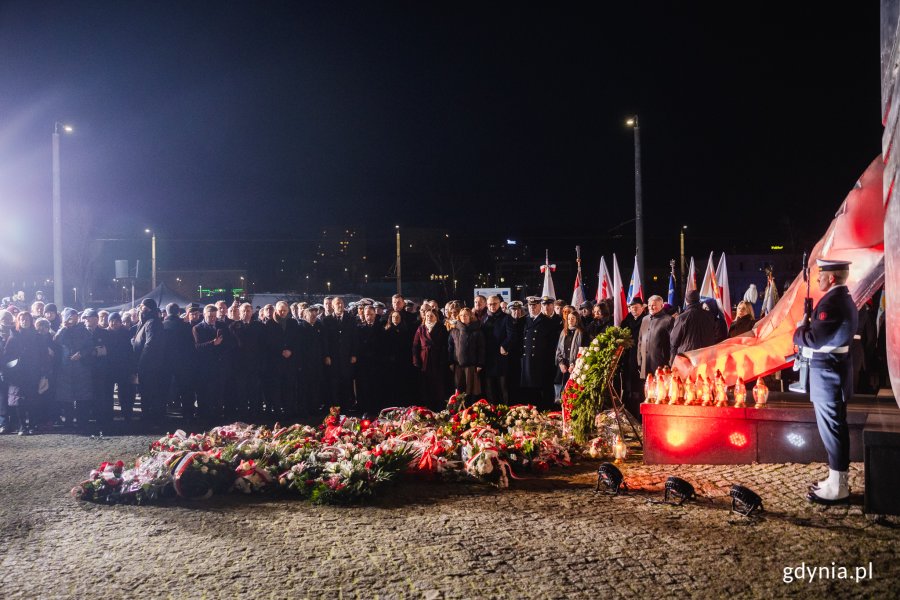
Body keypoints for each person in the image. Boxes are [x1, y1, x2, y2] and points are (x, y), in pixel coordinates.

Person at [796, 260, 858, 505]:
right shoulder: (841, 298)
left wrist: (799, 330)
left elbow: (814, 339)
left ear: (831, 278)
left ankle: (839, 486)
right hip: (832, 372)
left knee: (833, 431)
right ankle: (835, 479)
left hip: (828, 374)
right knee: (833, 429)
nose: (818, 280)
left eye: (821, 276)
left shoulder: (832, 303)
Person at [3, 312, 48, 435]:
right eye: (22, 319)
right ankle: (22, 426)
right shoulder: (13, 337)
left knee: (33, 399)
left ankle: (32, 425)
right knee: (19, 401)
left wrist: (44, 373)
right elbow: (6, 357)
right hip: (18, 374)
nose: (24, 321)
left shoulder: (37, 337)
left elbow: (44, 356)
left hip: (33, 373)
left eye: (27, 319)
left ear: (30, 321)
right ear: (18, 321)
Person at [132, 298, 168, 427]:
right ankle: (148, 417)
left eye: (142, 307)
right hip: (147, 365)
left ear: (148, 309)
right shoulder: (146, 322)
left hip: (149, 366)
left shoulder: (152, 322)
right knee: (146, 392)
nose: (140, 309)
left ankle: (151, 419)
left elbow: (150, 344)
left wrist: (141, 363)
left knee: (150, 393)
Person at [322, 296, 358, 408]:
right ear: (332, 306)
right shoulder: (327, 320)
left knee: (346, 381)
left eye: (341, 303)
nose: (340, 305)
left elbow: (354, 338)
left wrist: (354, 354)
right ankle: (335, 406)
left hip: (347, 356)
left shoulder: (351, 319)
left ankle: (346, 405)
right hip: (333, 357)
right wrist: (326, 355)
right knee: (334, 382)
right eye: (337, 303)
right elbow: (325, 339)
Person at [412, 308, 450, 409]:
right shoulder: (421, 328)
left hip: (437, 359)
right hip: (425, 359)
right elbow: (415, 345)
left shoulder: (441, 327)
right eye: (427, 316)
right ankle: (427, 406)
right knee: (426, 383)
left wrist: (444, 359)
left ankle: (439, 406)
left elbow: (445, 345)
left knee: (438, 383)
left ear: (436, 317)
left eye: (431, 316)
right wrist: (416, 360)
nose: (429, 318)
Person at [669, 289, 715, 361]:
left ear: (686, 301)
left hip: (688, 357)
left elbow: (674, 340)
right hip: (707, 355)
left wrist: (672, 359)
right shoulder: (709, 315)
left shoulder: (682, 317)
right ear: (699, 299)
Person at [448, 307, 485, 397]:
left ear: (470, 317)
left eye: (465, 315)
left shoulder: (477, 331)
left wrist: (480, 363)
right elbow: (450, 347)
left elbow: (481, 348)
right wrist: (450, 362)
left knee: (471, 390)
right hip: (458, 364)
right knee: (459, 390)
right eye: (461, 315)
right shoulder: (454, 331)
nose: (463, 317)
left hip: (472, 365)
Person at [637, 295, 674, 379]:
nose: (651, 307)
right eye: (649, 305)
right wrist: (639, 361)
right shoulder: (645, 319)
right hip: (645, 364)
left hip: (660, 364)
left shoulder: (669, 320)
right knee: (647, 389)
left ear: (661, 306)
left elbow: (673, 343)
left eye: (653, 305)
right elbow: (640, 340)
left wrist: (670, 362)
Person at [482, 295, 510, 404]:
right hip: (487, 358)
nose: (492, 306)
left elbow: (512, 335)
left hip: (501, 357)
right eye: (489, 304)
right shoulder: (484, 318)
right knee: (489, 388)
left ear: (499, 304)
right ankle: (491, 411)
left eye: (494, 304)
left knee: (503, 387)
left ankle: (505, 411)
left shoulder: (506, 318)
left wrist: (505, 345)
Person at [554, 310, 584, 400]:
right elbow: (558, 349)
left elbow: (582, 351)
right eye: (569, 318)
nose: (570, 320)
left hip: (575, 366)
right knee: (560, 389)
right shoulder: (563, 332)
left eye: (573, 318)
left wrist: (574, 364)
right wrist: (561, 363)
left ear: (577, 320)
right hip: (563, 365)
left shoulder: (581, 333)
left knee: (572, 391)